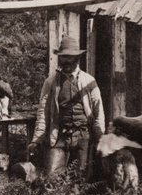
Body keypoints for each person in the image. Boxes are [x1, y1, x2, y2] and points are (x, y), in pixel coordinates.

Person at [31, 36, 105, 179]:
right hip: (59, 136)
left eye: (70, 57)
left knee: (80, 180)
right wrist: (36, 140)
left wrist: (100, 139)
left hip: (83, 136)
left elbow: (98, 113)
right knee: (51, 179)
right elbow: (43, 113)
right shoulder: (51, 82)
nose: (66, 61)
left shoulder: (89, 82)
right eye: (64, 57)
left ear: (77, 58)